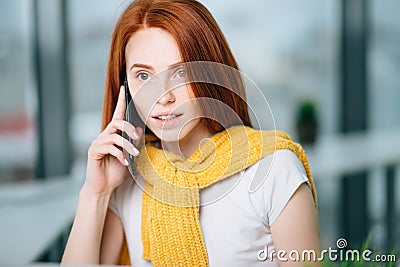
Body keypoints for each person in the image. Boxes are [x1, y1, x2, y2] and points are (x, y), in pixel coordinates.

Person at [61, 0, 320, 266]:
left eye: (181, 72)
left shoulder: (273, 168)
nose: (163, 97)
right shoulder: (126, 176)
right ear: (125, 86)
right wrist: (96, 193)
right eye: (143, 76)